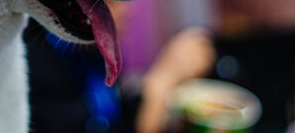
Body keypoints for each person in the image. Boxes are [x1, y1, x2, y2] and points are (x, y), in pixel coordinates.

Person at [24, 18, 215, 133]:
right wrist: (161, 84)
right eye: (113, 0)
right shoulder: (35, 64)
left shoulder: (94, 48)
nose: (127, 12)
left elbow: (114, 111)